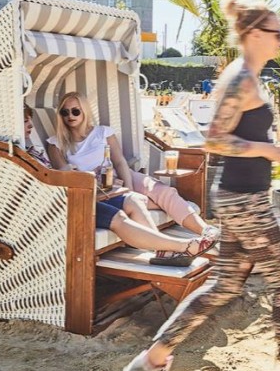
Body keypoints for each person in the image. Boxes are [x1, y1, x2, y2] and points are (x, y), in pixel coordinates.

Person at [122, 0, 280, 371]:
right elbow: (215, 141)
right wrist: (269, 151)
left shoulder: (246, 76)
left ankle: (152, 362)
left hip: (241, 196)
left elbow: (238, 134)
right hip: (246, 201)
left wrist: (268, 145)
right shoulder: (241, 78)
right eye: (276, 32)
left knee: (222, 287)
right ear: (254, 34)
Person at [44, 94, 214, 266]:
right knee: (137, 201)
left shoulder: (103, 132)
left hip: (117, 174)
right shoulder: (56, 143)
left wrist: (129, 187)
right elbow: (65, 174)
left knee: (164, 191)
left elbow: (119, 161)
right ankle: (164, 248)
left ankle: (206, 230)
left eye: (75, 111)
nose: (70, 116)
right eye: (65, 112)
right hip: (94, 184)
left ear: (85, 111)